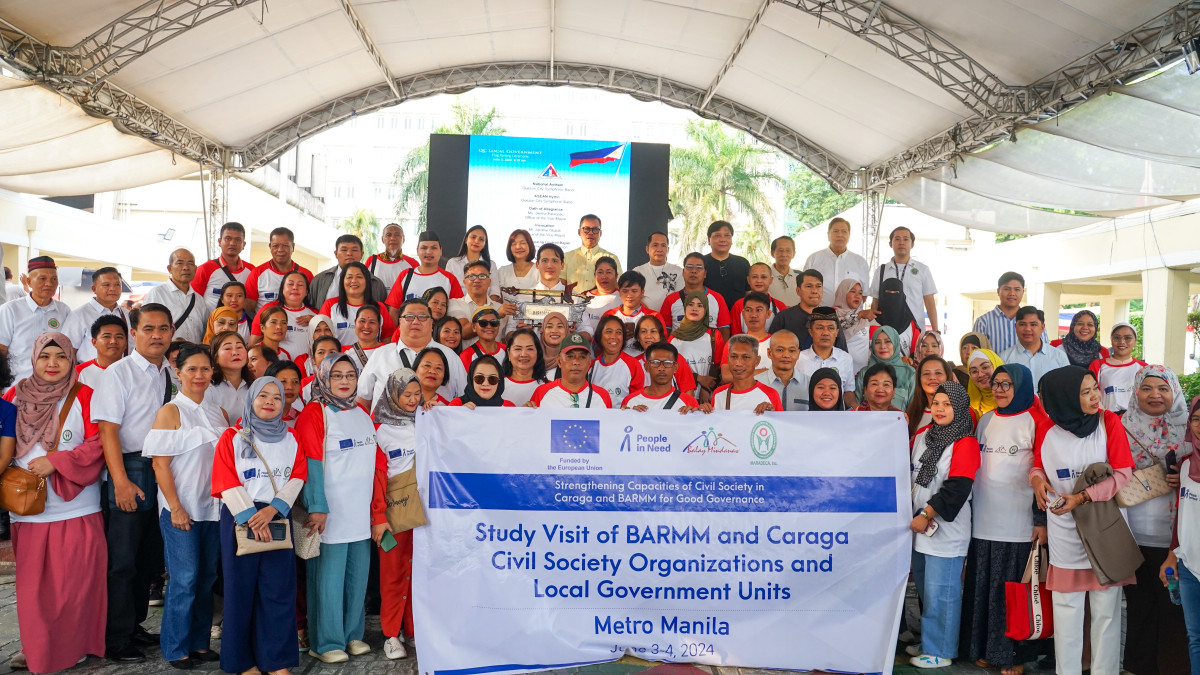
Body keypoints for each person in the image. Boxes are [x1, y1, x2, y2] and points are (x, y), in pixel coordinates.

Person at [3, 333, 106, 674]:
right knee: (33, 589)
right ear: (33, 358)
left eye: (60, 356)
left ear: (71, 360)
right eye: (45, 356)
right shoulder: (13, 396)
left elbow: (99, 443)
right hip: (27, 508)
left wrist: (57, 461)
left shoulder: (85, 395)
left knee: (74, 586)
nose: (52, 363)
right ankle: (36, 647)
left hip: (76, 507)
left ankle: (73, 646)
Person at [1030, 366, 1135, 675]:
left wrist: (1083, 497)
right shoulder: (1047, 428)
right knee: (1066, 611)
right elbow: (1038, 464)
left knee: (1106, 614)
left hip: (1104, 529)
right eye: (1085, 392)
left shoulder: (1108, 422)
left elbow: (1123, 474)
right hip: (1064, 530)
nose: (1095, 396)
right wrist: (1036, 480)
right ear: (1064, 398)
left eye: (1094, 389)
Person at [92, 303, 177, 662]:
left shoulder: (170, 372)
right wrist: (120, 481)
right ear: (134, 333)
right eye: (148, 329)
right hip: (131, 468)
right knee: (123, 561)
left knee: (148, 557)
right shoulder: (118, 373)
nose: (156, 335)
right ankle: (115, 637)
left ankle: (135, 624)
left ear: (172, 332)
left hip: (163, 469)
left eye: (163, 328)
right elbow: (107, 431)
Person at [210, 376, 307, 675]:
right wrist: (251, 516)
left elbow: (298, 475)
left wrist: (273, 511)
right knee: (240, 592)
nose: (270, 402)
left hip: (277, 517)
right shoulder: (232, 437)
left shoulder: (291, 438)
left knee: (278, 592)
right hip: (240, 517)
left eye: (276, 397)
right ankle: (243, 663)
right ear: (251, 399)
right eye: (263, 395)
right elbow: (225, 477)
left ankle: (276, 662)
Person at [961, 363, 1049, 675]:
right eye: (996, 384)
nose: (999, 390)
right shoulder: (985, 420)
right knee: (985, 589)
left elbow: (1043, 472)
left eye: (1007, 384)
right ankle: (986, 649)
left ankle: (1013, 656)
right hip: (984, 521)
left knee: (1011, 593)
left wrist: (1040, 520)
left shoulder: (1037, 421)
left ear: (1021, 386)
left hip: (1018, 523)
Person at [295, 355, 382, 663]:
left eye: (350, 375)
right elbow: (311, 463)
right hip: (329, 514)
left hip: (359, 513)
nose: (345, 381)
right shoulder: (315, 413)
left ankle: (352, 635)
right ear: (323, 378)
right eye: (337, 375)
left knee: (357, 578)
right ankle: (326, 642)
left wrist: (376, 511)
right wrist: (317, 505)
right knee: (328, 580)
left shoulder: (362, 413)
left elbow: (373, 465)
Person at [144, 343, 225, 670]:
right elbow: (160, 465)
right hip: (181, 510)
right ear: (178, 373)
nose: (199, 375)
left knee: (206, 578)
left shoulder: (218, 412)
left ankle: (199, 643)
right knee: (185, 578)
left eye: (205, 368)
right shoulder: (170, 412)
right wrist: (176, 507)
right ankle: (175, 647)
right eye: (192, 369)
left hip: (213, 509)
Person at [1122, 366, 1190, 675]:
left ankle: (1171, 668)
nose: (1155, 395)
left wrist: (1185, 477)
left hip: (1177, 540)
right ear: (1136, 391)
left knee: (1174, 608)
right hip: (1132, 536)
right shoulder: (1121, 426)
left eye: (1163, 388)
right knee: (1139, 607)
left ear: (1174, 391)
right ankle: (1140, 668)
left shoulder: (1190, 428)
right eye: (1147, 388)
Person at [907, 380, 980, 668]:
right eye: (936, 403)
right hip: (918, 529)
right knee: (927, 592)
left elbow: (957, 488)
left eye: (947, 404)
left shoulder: (965, 442)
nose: (940, 409)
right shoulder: (923, 436)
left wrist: (926, 514)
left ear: (959, 408)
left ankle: (941, 650)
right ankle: (929, 641)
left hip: (944, 530)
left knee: (942, 593)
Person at [369, 369, 421, 660]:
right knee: (392, 573)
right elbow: (377, 476)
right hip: (394, 511)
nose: (412, 400)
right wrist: (378, 516)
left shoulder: (427, 420)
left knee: (419, 572)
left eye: (417, 394)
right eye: (406, 395)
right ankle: (391, 634)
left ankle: (412, 630)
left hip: (425, 509)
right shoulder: (379, 428)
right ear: (392, 395)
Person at [358, 298, 466, 406]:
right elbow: (363, 400)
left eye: (422, 317)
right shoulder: (381, 354)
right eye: (409, 316)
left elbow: (464, 400)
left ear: (431, 324)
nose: (415, 322)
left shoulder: (451, 357)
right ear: (400, 322)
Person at [1162, 395, 1200, 672]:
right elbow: (1181, 515)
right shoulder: (1186, 465)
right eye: (1196, 419)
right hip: (1188, 566)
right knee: (1195, 638)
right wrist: (1172, 556)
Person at [0, 256, 71, 380]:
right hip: (19, 384)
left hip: (54, 386)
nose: (49, 283)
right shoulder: (10, 310)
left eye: (54, 279)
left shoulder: (64, 311)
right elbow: (1, 350)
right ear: (28, 281)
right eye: (42, 278)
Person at [870, 226, 939, 332]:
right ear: (890, 244)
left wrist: (936, 331)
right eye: (897, 239)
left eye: (906, 239)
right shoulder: (881, 270)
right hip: (887, 331)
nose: (901, 242)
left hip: (916, 330)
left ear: (912, 244)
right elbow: (875, 302)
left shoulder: (922, 270)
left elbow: (930, 303)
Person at [768, 270, 849, 352]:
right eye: (809, 286)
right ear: (798, 291)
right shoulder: (784, 317)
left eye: (818, 286)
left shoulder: (830, 316)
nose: (814, 291)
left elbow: (842, 350)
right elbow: (772, 348)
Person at [386, 232, 465, 315]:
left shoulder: (450, 279)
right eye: (424, 248)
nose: (429, 252)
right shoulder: (405, 275)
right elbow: (394, 310)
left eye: (434, 248)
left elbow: (459, 311)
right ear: (417, 251)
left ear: (440, 251)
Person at [321, 262, 396, 347]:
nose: (353, 281)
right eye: (349, 277)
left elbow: (388, 338)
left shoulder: (379, 307)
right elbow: (321, 336)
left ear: (367, 281)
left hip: (373, 355)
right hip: (339, 355)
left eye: (359, 277)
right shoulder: (330, 305)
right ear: (342, 281)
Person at [62, 266, 129, 363]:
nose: (112, 289)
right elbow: (68, 350)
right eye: (106, 285)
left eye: (117, 284)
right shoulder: (79, 315)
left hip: (123, 371)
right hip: (88, 371)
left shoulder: (128, 315)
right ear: (94, 289)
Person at [669, 291, 725, 403]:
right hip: (681, 397)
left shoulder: (714, 335)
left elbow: (718, 366)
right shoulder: (673, 338)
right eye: (691, 304)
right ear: (685, 307)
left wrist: (706, 388)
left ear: (705, 310)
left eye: (700, 305)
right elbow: (670, 368)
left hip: (707, 398)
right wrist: (698, 378)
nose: (694, 309)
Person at [530, 333, 613, 408]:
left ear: (589, 362)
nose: (576, 362)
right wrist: (526, 411)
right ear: (559, 361)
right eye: (570, 356)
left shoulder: (602, 396)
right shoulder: (541, 393)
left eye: (582, 357)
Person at [797, 308, 857, 410]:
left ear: (837, 332)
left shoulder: (845, 358)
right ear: (811, 332)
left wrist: (858, 409)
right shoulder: (798, 359)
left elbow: (848, 391)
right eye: (820, 328)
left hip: (836, 417)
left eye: (831, 328)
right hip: (805, 415)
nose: (825, 333)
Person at [659, 252, 731, 335]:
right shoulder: (670, 300)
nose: (693, 271)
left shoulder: (717, 299)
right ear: (683, 272)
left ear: (705, 274)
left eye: (699, 268)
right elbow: (664, 332)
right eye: (689, 267)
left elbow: (724, 330)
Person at [804, 217, 870, 306]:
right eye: (835, 231)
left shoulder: (860, 262)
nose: (840, 235)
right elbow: (804, 289)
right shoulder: (813, 259)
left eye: (844, 231)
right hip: (819, 313)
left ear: (849, 235)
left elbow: (864, 295)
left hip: (851, 314)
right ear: (828, 235)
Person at [251, 270, 317, 360]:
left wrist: (316, 321)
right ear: (282, 289)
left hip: (309, 367)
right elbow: (254, 342)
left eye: (300, 285)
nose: (295, 288)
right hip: (277, 365)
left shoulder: (315, 314)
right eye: (290, 284)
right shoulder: (269, 309)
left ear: (306, 292)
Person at [145, 249, 207, 344]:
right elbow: (146, 327)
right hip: (167, 352)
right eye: (180, 263)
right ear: (169, 268)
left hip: (195, 352)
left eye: (190, 263)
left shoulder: (199, 300)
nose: (186, 267)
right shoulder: (157, 294)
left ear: (195, 269)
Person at [307, 235, 388, 307]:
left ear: (362, 254)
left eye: (354, 250)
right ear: (336, 254)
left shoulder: (375, 283)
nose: (349, 253)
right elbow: (310, 308)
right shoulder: (320, 279)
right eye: (344, 250)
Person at [245, 227, 314, 310]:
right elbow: (248, 308)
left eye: (285, 246)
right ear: (270, 246)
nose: (280, 250)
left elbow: (311, 305)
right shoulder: (257, 273)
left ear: (293, 247)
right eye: (275, 246)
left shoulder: (306, 275)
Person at [973, 272, 1041, 355]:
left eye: (1017, 289)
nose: (1012, 293)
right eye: (1007, 289)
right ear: (998, 291)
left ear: (1023, 292)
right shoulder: (983, 322)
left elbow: (1044, 352)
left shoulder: (1036, 321)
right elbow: (976, 355)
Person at [1000, 307, 1069, 387]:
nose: (1027, 329)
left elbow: (1067, 385)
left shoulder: (1059, 356)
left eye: (1033, 324)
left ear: (1042, 327)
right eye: (1022, 324)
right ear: (1015, 326)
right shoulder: (1004, 357)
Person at [622, 342, 700, 411]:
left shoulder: (689, 403)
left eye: (667, 363)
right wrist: (631, 415)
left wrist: (701, 412)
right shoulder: (630, 402)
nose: (661, 368)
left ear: (675, 368)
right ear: (646, 367)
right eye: (655, 362)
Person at [711, 335, 781, 413]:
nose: (738, 363)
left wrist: (771, 414)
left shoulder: (770, 394)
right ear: (728, 359)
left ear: (757, 361)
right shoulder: (718, 394)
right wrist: (703, 412)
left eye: (746, 357)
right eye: (733, 356)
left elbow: (781, 420)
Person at [192, 222, 251, 312]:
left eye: (238, 239)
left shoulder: (252, 271)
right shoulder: (205, 269)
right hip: (209, 321)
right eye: (228, 238)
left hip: (241, 321)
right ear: (219, 242)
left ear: (244, 244)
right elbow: (192, 301)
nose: (232, 243)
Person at [451, 260, 511, 347]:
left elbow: (506, 340)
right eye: (472, 276)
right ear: (464, 282)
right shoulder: (455, 303)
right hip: (466, 356)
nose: (477, 280)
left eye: (482, 276)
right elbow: (463, 332)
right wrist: (496, 315)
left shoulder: (502, 309)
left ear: (489, 282)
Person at [1090, 322, 1146, 413]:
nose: (1122, 342)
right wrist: (1107, 417)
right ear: (1111, 340)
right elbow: (1091, 395)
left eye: (1128, 338)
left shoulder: (1144, 368)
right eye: (1117, 337)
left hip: (1137, 418)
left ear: (1135, 341)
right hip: (1107, 418)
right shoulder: (1098, 365)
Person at [632, 315, 696, 394]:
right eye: (643, 331)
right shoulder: (634, 363)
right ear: (638, 337)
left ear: (660, 335)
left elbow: (688, 393)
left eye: (653, 331)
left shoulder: (676, 358)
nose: (648, 336)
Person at [587, 315, 644, 404]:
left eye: (618, 332)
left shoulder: (633, 365)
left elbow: (636, 401)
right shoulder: (590, 365)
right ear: (599, 335)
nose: (614, 336)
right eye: (608, 331)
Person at [856, 325, 915, 410]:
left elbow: (914, 407)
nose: (883, 346)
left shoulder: (909, 373)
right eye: (877, 342)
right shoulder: (865, 372)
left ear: (895, 343)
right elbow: (857, 405)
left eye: (888, 341)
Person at [602, 270, 662, 351]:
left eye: (634, 291)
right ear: (619, 292)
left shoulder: (654, 316)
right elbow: (598, 346)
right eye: (625, 291)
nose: (629, 295)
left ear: (642, 292)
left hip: (645, 359)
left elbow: (662, 346)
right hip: (616, 359)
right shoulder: (609, 315)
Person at [564, 214, 622, 288]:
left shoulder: (612, 258)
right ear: (579, 232)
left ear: (600, 233)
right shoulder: (566, 257)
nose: (591, 233)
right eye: (586, 229)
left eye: (595, 229)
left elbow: (619, 286)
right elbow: (560, 286)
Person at [702, 221, 750, 310]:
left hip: (737, 314)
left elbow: (748, 292)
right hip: (707, 314)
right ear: (709, 240)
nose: (723, 240)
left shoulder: (742, 263)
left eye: (727, 236)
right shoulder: (701, 263)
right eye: (717, 235)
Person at [206, 331, 252, 424]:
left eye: (239, 347)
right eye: (227, 348)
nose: (235, 353)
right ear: (215, 357)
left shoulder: (255, 386)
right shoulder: (208, 388)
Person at [632, 231, 683, 313]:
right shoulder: (637, 272)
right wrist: (650, 315)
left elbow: (679, 300)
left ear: (668, 249)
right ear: (647, 249)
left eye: (663, 245)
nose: (659, 249)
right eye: (655, 245)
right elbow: (633, 297)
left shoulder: (679, 272)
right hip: (644, 317)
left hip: (670, 318)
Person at [729, 263, 786, 334]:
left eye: (763, 277)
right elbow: (735, 335)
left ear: (771, 280)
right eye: (754, 277)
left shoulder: (780, 306)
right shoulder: (738, 305)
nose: (759, 281)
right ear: (748, 280)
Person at [756, 330, 805, 411]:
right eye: (780, 350)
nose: (786, 355)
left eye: (792, 351)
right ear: (769, 353)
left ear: (798, 354)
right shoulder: (755, 383)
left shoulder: (810, 384)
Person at [871, 277, 921, 358]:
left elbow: (917, 355)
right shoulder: (871, 322)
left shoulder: (911, 325)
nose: (892, 296)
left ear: (902, 296)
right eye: (888, 292)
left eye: (896, 293)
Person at [446, 225, 501, 298]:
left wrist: (488, 305)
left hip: (484, 304)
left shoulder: (491, 265)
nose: (476, 241)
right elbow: (447, 289)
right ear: (466, 240)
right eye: (473, 237)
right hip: (457, 303)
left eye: (481, 239)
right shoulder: (453, 263)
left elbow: (495, 290)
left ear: (485, 244)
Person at [77, 314, 129, 388]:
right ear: (94, 342)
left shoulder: (135, 371)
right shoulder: (77, 373)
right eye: (106, 336)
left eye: (119, 337)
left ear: (126, 343)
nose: (113, 341)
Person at [907, 356, 954, 438]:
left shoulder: (960, 412)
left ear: (948, 377)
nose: (932, 377)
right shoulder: (911, 414)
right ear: (919, 379)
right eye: (926, 373)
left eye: (938, 373)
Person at [833, 278, 871, 373]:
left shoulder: (864, 317)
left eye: (860, 293)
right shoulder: (833, 314)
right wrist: (859, 315)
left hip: (862, 373)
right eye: (853, 291)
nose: (857, 296)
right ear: (843, 293)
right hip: (841, 371)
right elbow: (839, 326)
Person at [364, 223, 418, 291]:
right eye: (388, 235)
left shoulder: (413, 264)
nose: (393, 238)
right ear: (382, 239)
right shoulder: (372, 261)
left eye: (397, 235)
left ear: (403, 239)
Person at [577, 257, 621, 338]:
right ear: (595, 275)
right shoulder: (583, 297)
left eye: (609, 272)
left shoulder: (623, 298)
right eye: (600, 272)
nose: (604, 276)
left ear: (616, 275)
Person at [503, 329, 548, 406]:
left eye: (530, 349)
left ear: (538, 353)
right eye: (518, 349)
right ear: (508, 353)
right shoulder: (494, 385)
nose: (523, 354)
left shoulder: (549, 387)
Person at [450, 356, 515, 407]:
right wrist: (460, 413)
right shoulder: (457, 405)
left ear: (499, 382)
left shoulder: (509, 408)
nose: (485, 383)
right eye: (479, 378)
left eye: (492, 379)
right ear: (471, 380)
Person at [298, 336, 342, 410]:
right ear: (313, 359)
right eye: (321, 352)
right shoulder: (303, 385)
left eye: (332, 352)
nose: (326, 356)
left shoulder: (350, 382)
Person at [460, 306, 507, 371]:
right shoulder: (466, 356)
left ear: (499, 325)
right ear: (474, 327)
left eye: (494, 322)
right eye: (483, 323)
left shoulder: (508, 351)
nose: (489, 326)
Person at [343, 305, 386, 371]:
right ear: (355, 322)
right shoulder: (343, 352)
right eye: (362, 321)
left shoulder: (388, 351)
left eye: (372, 322)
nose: (366, 326)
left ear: (379, 325)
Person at [967, 348, 1005, 419]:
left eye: (985, 367)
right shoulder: (969, 407)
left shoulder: (1014, 398)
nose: (980, 375)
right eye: (974, 371)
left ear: (996, 365)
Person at [264, 360, 303, 427]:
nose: (290, 387)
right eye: (283, 381)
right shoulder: (255, 417)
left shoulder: (303, 419)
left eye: (295, 382)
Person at [768, 235, 801, 308]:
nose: (784, 254)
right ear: (772, 253)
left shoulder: (800, 277)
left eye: (788, 250)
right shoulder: (765, 277)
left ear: (793, 254)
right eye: (780, 250)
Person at [539, 312, 567, 379]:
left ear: (566, 330)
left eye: (560, 326)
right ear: (543, 330)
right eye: (549, 326)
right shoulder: (533, 357)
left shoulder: (572, 359)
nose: (554, 330)